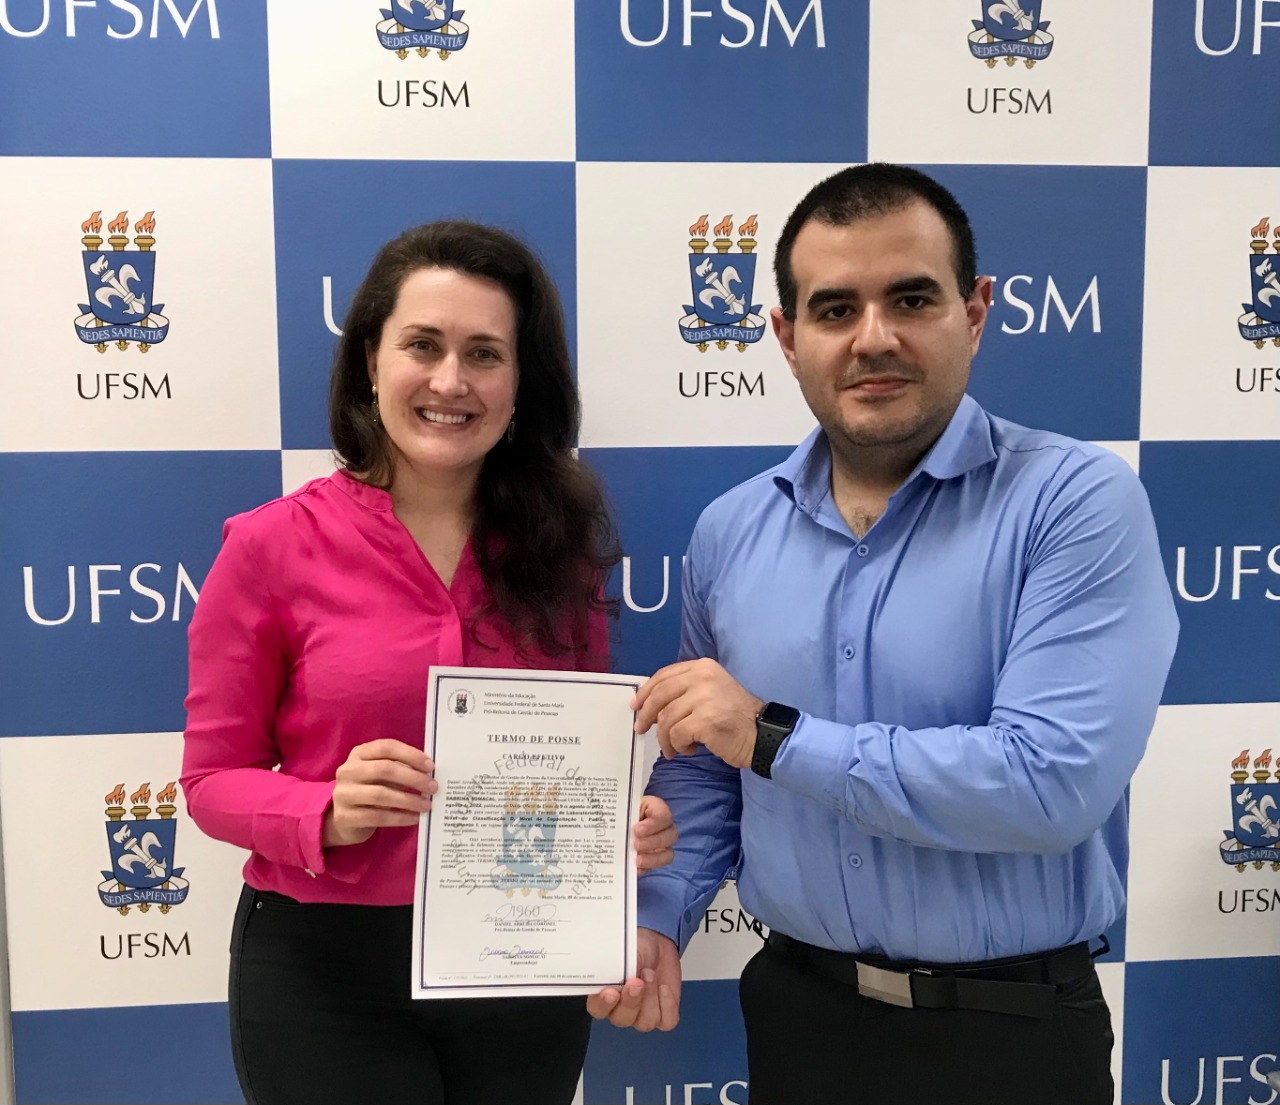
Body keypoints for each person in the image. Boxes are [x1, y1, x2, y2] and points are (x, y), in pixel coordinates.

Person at [588, 165, 1178, 1104]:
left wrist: (774, 735)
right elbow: (705, 770)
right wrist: (659, 910)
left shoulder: (1075, 503)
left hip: (1011, 1035)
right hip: (799, 1017)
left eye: (911, 299)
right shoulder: (729, 532)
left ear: (975, 313)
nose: (874, 338)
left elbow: (1052, 782)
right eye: (834, 309)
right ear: (786, 337)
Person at [181, 221, 677, 1105]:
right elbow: (211, 780)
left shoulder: (560, 552)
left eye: (485, 353)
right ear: (371, 362)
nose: (451, 381)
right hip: (325, 975)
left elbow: (584, 763)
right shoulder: (268, 546)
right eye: (423, 345)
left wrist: (618, 829)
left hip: (523, 961)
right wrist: (323, 809)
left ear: (520, 382)